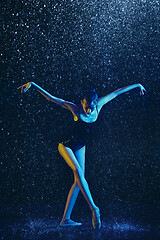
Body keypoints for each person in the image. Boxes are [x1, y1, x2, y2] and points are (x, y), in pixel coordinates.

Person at [18, 82, 146, 229]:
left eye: (91, 107)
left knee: (79, 181)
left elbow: (117, 92)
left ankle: (66, 219)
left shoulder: (99, 105)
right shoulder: (75, 109)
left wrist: (137, 85)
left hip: (80, 146)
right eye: (86, 107)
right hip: (66, 145)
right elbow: (52, 98)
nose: (89, 111)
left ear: (95, 103)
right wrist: (33, 85)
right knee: (78, 173)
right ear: (81, 103)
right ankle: (94, 209)